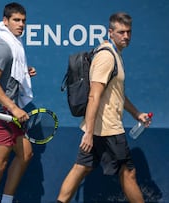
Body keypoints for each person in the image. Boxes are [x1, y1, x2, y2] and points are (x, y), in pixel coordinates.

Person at [56, 12, 150, 203]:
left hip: (101, 128)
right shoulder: (107, 57)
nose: (126, 36)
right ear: (111, 32)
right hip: (108, 130)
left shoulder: (115, 55)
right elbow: (94, 95)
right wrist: (89, 133)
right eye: (121, 32)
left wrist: (136, 114)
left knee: (81, 167)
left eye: (129, 32)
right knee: (128, 173)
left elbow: (117, 95)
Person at [0, 2, 37, 203]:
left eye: (23, 21)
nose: (21, 24)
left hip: (12, 115)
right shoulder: (3, 47)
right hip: (0, 114)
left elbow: (5, 75)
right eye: (16, 20)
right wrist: (13, 107)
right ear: (5, 21)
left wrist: (24, 73)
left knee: (26, 155)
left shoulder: (14, 45)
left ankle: (6, 200)